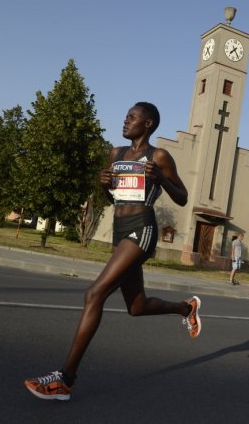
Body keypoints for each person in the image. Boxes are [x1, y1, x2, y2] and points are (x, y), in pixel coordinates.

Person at [24, 102, 202, 402]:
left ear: (148, 124)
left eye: (132, 117)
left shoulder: (158, 156)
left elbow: (183, 197)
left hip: (142, 229)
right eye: (126, 116)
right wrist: (104, 185)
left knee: (94, 294)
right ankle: (186, 309)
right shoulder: (116, 154)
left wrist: (160, 179)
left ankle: (64, 379)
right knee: (137, 307)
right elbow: (114, 197)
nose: (125, 120)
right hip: (120, 230)